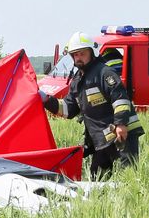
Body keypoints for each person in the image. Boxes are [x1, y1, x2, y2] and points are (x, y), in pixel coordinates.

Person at [41, 32, 143, 176]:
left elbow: (120, 99)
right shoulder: (78, 81)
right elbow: (68, 109)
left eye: (82, 53)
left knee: (128, 177)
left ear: (92, 53)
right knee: (97, 178)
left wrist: (121, 125)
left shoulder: (104, 73)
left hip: (123, 134)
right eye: (75, 55)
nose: (78, 58)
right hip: (102, 138)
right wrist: (45, 100)